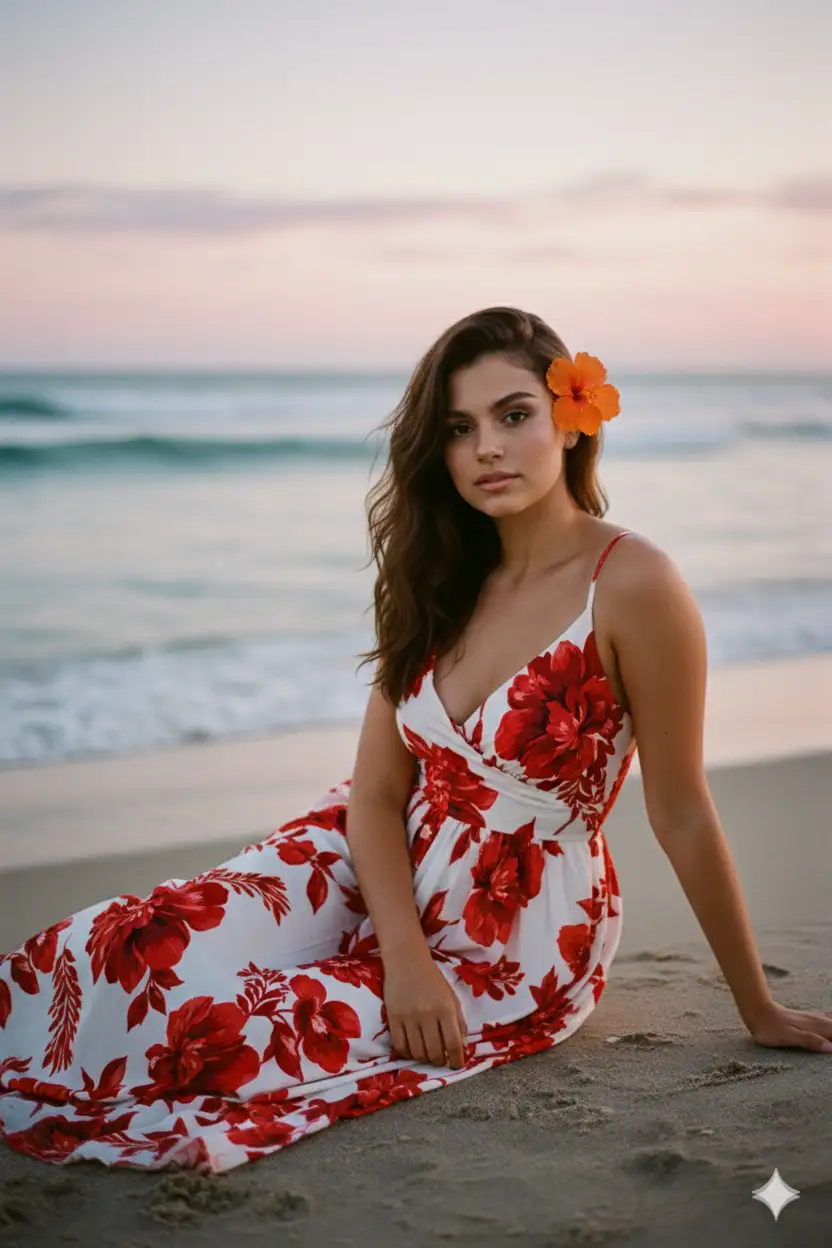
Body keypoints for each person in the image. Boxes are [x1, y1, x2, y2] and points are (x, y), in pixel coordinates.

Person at [1, 306, 830, 1174]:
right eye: (459, 429)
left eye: (513, 416)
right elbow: (378, 793)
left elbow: (682, 811)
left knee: (211, 1032)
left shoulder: (633, 585)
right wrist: (400, 953)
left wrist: (757, 1005)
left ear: (570, 422)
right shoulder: (436, 575)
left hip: (508, 933)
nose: (486, 449)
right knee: (124, 942)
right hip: (370, 857)